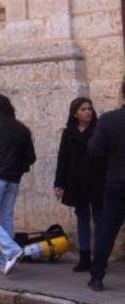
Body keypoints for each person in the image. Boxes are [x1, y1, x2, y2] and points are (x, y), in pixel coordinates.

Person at [0, 94, 36, 275]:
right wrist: (19, 170)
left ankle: (12, 250)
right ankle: (3, 260)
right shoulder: (23, 129)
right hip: (13, 179)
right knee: (6, 218)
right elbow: (31, 157)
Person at [53, 97, 103, 273]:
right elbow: (63, 159)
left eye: (89, 109)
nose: (87, 112)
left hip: (97, 181)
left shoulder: (99, 129)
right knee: (82, 218)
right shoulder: (69, 132)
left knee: (99, 219)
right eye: (83, 109)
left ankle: (100, 258)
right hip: (76, 182)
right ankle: (84, 258)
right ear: (75, 113)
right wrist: (59, 184)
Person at [87, 78, 125, 291]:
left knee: (107, 232)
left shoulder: (108, 120)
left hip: (116, 183)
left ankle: (97, 277)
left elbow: (94, 150)